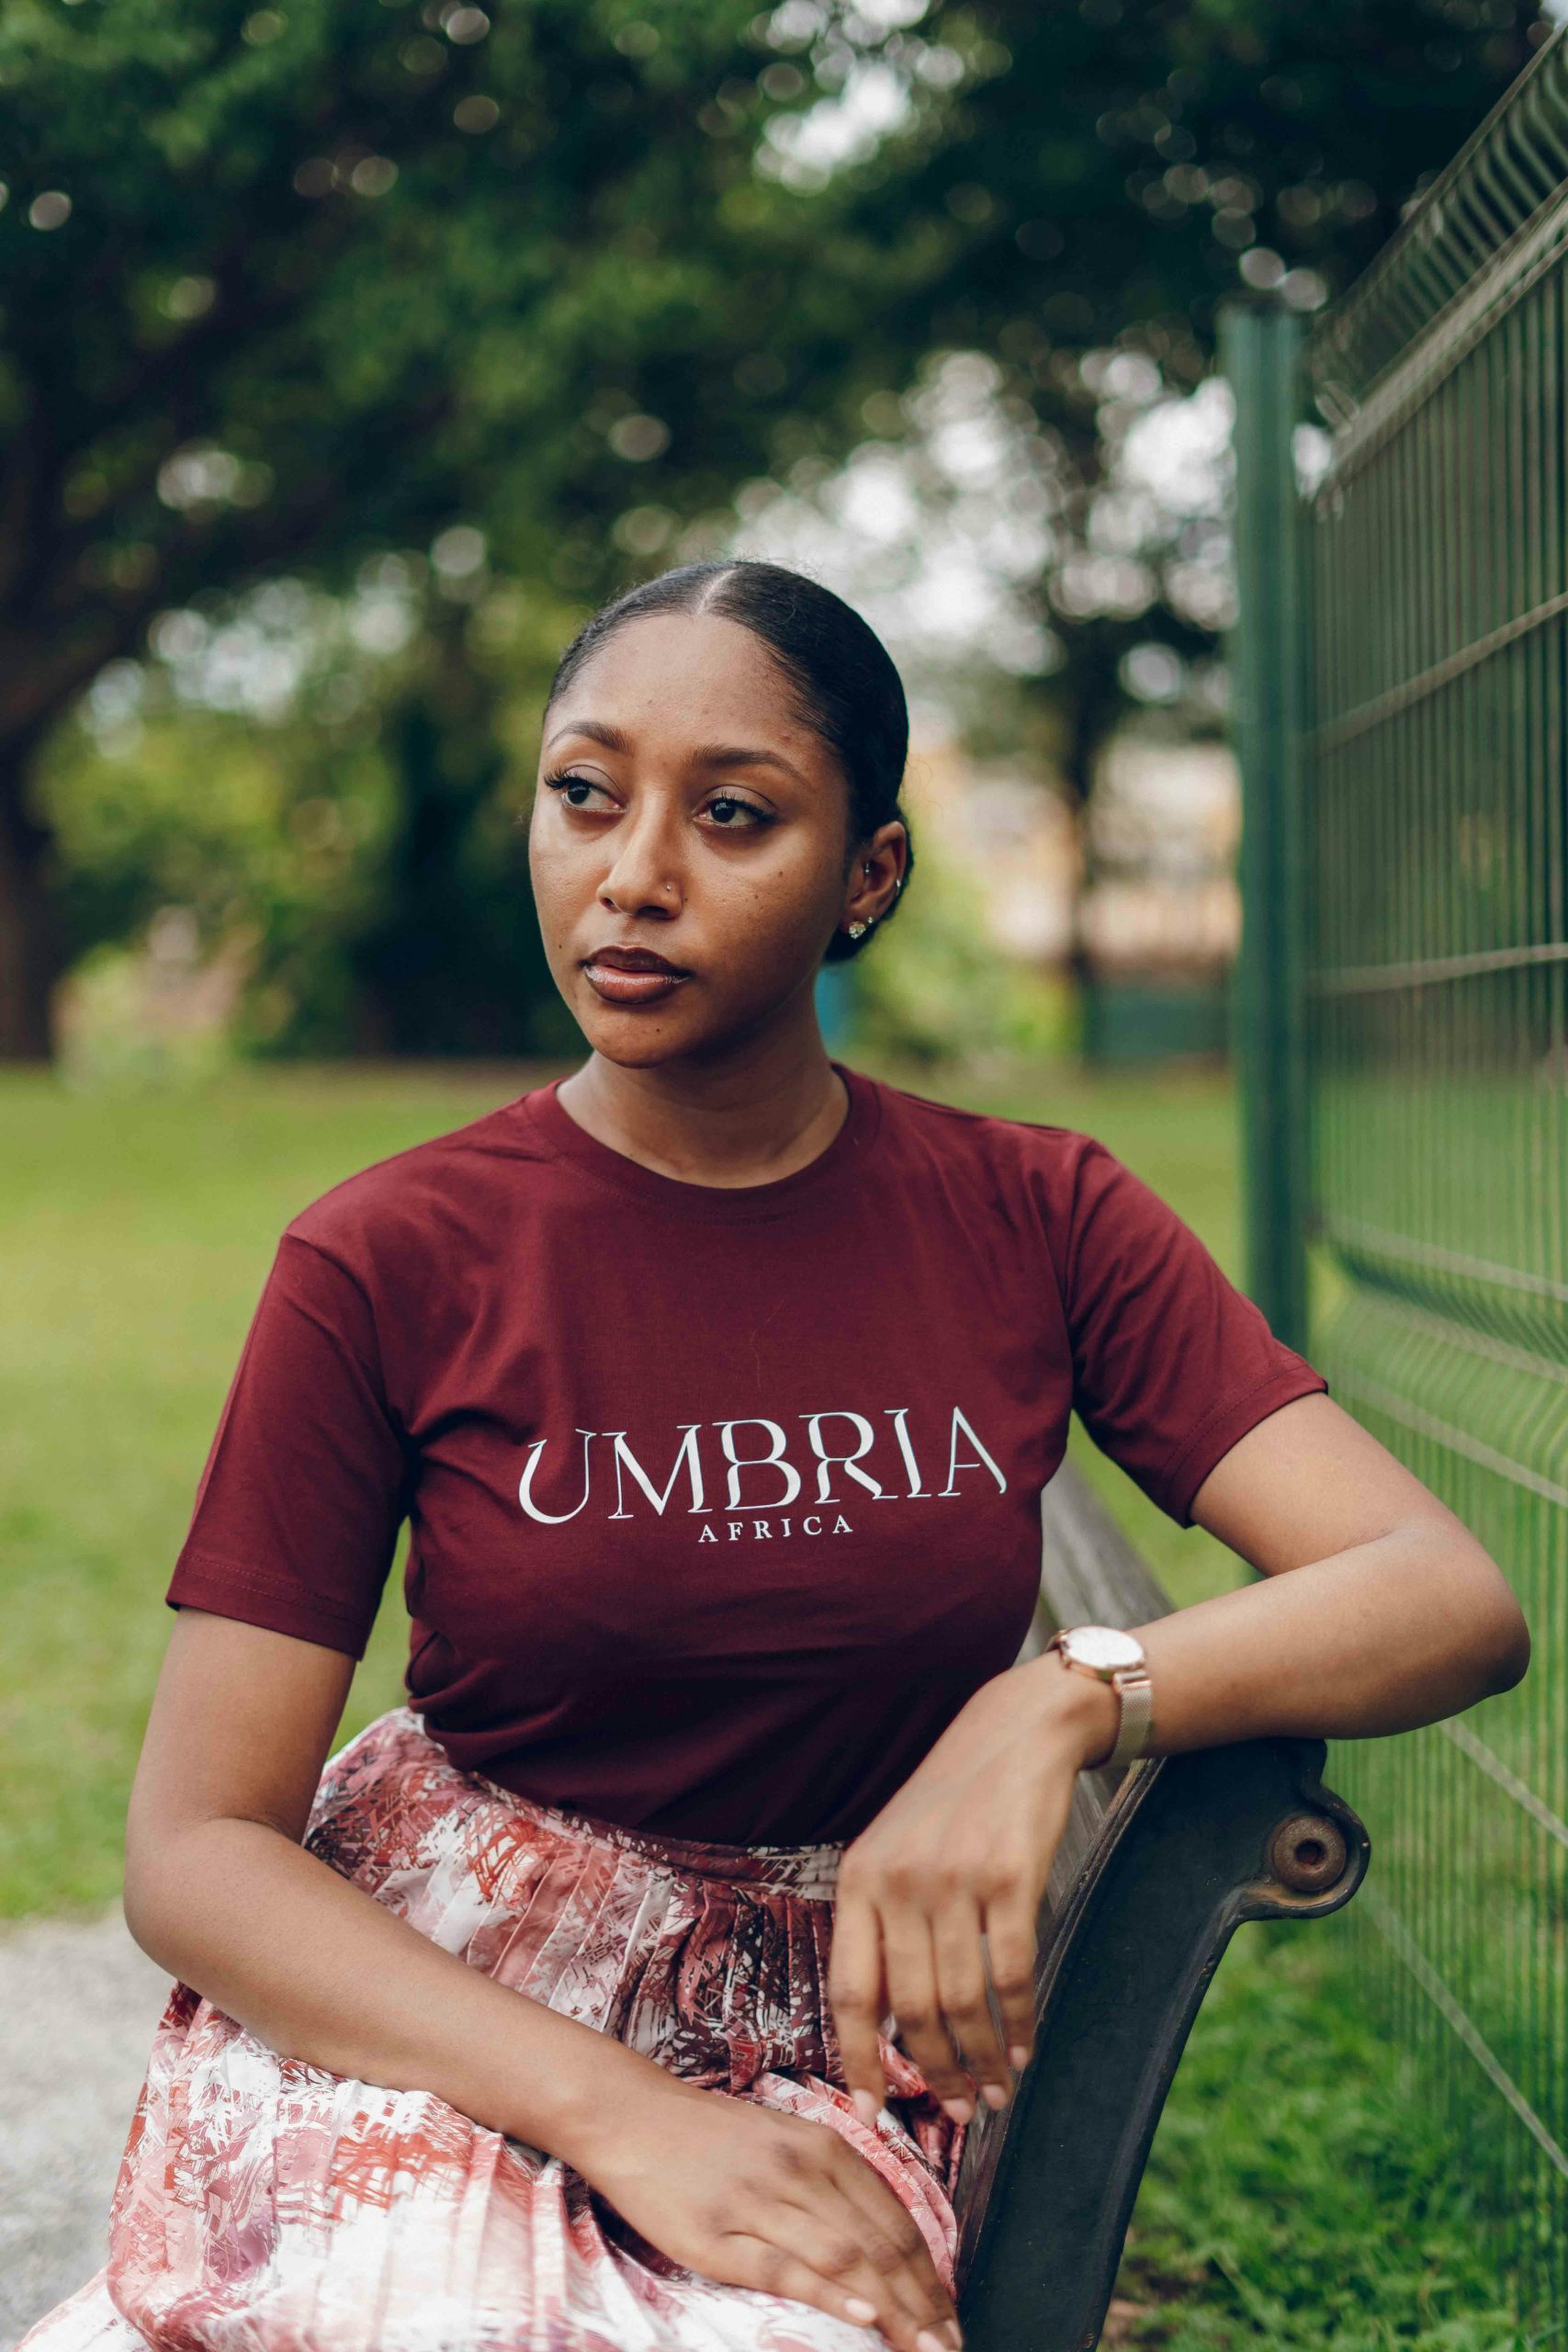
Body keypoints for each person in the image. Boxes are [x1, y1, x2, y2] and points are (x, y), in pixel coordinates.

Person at [22, 559, 1528, 2352]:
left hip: (825, 2038)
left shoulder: (1031, 1217)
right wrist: (617, 2111)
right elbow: (197, 1844)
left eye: (730, 815)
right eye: (584, 793)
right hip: (448, 1995)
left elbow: (1438, 1592)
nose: (631, 871)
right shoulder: (389, 1256)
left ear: (863, 879)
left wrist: (1048, 1702)